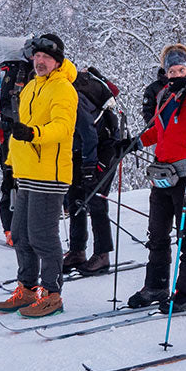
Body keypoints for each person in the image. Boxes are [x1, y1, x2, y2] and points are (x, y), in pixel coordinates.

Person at [0, 33, 78, 320]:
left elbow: (63, 128)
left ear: (57, 61)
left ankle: (52, 295)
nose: (40, 61)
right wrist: (10, 161)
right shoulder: (30, 87)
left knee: (43, 236)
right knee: (20, 235)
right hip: (26, 173)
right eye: (38, 56)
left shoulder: (63, 89)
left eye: (47, 57)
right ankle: (27, 289)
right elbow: (20, 129)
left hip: (50, 175)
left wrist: (34, 134)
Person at [128, 44, 186, 311]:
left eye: (181, 69)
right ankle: (156, 286)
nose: (177, 74)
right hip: (162, 173)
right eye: (172, 70)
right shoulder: (164, 95)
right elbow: (158, 129)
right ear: (165, 73)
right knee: (156, 233)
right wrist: (136, 142)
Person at [65, 66, 123, 276]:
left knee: (96, 198)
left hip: (104, 147)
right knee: (75, 198)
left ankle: (102, 254)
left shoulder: (73, 95)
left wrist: (90, 165)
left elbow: (88, 131)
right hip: (81, 148)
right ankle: (77, 251)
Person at [0, 39, 32, 246]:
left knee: (11, 184)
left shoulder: (11, 74)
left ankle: (13, 230)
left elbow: (3, 108)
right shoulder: (21, 73)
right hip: (16, 138)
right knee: (14, 184)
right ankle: (15, 230)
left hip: (11, 139)